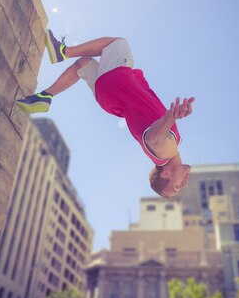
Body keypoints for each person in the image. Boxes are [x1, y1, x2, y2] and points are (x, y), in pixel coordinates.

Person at [17, 30, 195, 197]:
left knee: (118, 43)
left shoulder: (167, 152)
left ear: (166, 174)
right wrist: (170, 117)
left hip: (118, 84)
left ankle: (62, 51)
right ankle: (45, 97)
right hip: (111, 99)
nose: (185, 184)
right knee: (83, 64)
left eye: (177, 186)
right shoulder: (170, 147)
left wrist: (171, 117)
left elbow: (154, 140)